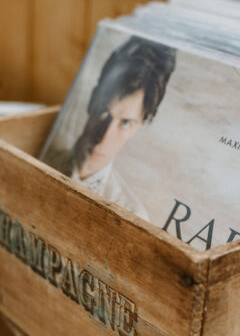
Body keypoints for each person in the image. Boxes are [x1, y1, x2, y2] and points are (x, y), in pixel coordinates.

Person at [45, 36, 176, 220]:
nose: (103, 137)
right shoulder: (43, 159)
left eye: (125, 122)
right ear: (91, 101)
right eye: (104, 112)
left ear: (140, 125)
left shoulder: (132, 216)